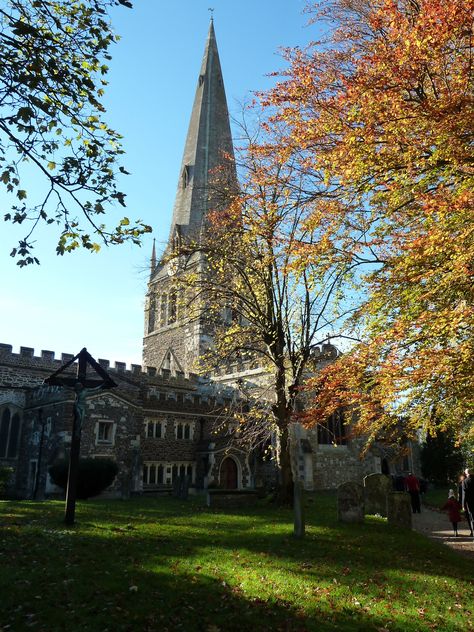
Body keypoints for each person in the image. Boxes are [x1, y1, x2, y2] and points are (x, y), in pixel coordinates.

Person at [462, 468, 474, 537]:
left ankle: (473, 532)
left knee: (472, 518)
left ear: (467, 474)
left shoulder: (465, 481)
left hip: (470, 503)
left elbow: (464, 495)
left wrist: (463, 505)